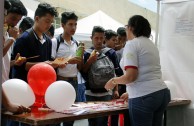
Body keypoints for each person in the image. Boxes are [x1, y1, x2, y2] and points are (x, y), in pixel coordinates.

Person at [105, 15, 171, 126]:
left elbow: (131, 76)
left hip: (144, 97)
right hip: (161, 93)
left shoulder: (132, 44)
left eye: (126, 27)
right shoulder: (151, 44)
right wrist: (130, 92)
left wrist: (113, 81)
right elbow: (147, 73)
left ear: (131, 28)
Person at [82, 26, 121, 126]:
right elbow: (83, 71)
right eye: (96, 38)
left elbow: (114, 73)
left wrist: (116, 90)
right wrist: (90, 61)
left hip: (106, 93)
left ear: (104, 38)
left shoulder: (111, 53)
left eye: (101, 38)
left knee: (102, 122)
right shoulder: (86, 53)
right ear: (91, 38)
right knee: (92, 122)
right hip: (90, 92)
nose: (99, 41)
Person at [12, 3, 58, 82]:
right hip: (26, 84)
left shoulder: (48, 41)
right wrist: (44, 65)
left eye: (51, 22)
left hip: (42, 83)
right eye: (47, 21)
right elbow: (19, 66)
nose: (50, 25)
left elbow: (48, 61)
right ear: (37, 19)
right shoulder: (24, 39)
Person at [51, 11, 82, 126]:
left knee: (70, 117)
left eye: (75, 24)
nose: (73, 27)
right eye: (70, 24)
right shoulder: (55, 42)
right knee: (56, 115)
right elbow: (51, 62)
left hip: (74, 81)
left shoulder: (77, 43)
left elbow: (79, 66)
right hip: (59, 80)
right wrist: (68, 61)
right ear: (63, 25)